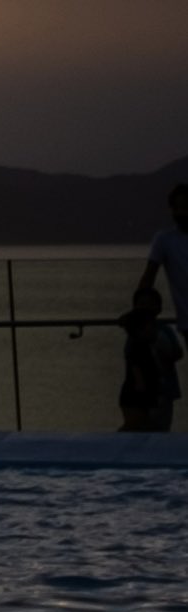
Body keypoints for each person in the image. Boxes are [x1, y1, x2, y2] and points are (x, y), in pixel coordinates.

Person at [118, 266, 182, 437]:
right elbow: (132, 362)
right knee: (138, 426)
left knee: (161, 427)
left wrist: (166, 353)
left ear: (159, 308)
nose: (146, 308)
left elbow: (178, 353)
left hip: (164, 391)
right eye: (142, 304)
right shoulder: (134, 338)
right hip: (142, 394)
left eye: (150, 304)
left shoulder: (165, 330)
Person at [151, 185, 188, 349]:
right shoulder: (164, 240)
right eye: (177, 208)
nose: (181, 212)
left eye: (185, 207)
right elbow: (149, 276)